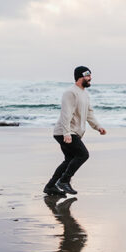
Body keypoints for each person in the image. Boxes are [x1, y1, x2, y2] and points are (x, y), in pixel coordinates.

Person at [44, 66, 106, 196]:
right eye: (87, 76)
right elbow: (66, 113)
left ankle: (50, 186)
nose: (90, 78)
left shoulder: (84, 93)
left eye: (90, 76)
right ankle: (64, 181)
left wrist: (98, 126)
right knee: (83, 155)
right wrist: (66, 133)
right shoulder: (70, 92)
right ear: (79, 77)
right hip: (65, 132)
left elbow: (89, 113)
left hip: (71, 132)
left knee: (69, 160)